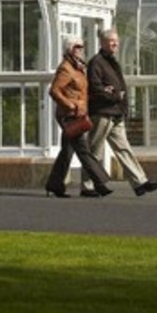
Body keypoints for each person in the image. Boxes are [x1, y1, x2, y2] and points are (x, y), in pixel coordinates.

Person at [81, 29, 157, 198]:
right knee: (94, 151)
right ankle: (87, 186)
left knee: (124, 149)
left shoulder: (111, 61)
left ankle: (139, 182)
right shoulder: (96, 62)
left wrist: (118, 100)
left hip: (115, 113)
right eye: (111, 41)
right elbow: (95, 88)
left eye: (116, 41)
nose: (115, 44)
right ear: (103, 43)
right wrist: (114, 95)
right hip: (102, 113)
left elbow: (114, 87)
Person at [45, 36, 113, 198]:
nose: (81, 49)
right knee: (83, 150)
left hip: (79, 114)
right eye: (77, 47)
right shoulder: (66, 68)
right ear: (69, 49)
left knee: (67, 151)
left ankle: (54, 185)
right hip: (70, 116)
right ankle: (100, 182)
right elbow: (54, 90)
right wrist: (70, 105)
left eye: (82, 47)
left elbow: (82, 92)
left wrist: (102, 91)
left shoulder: (79, 68)